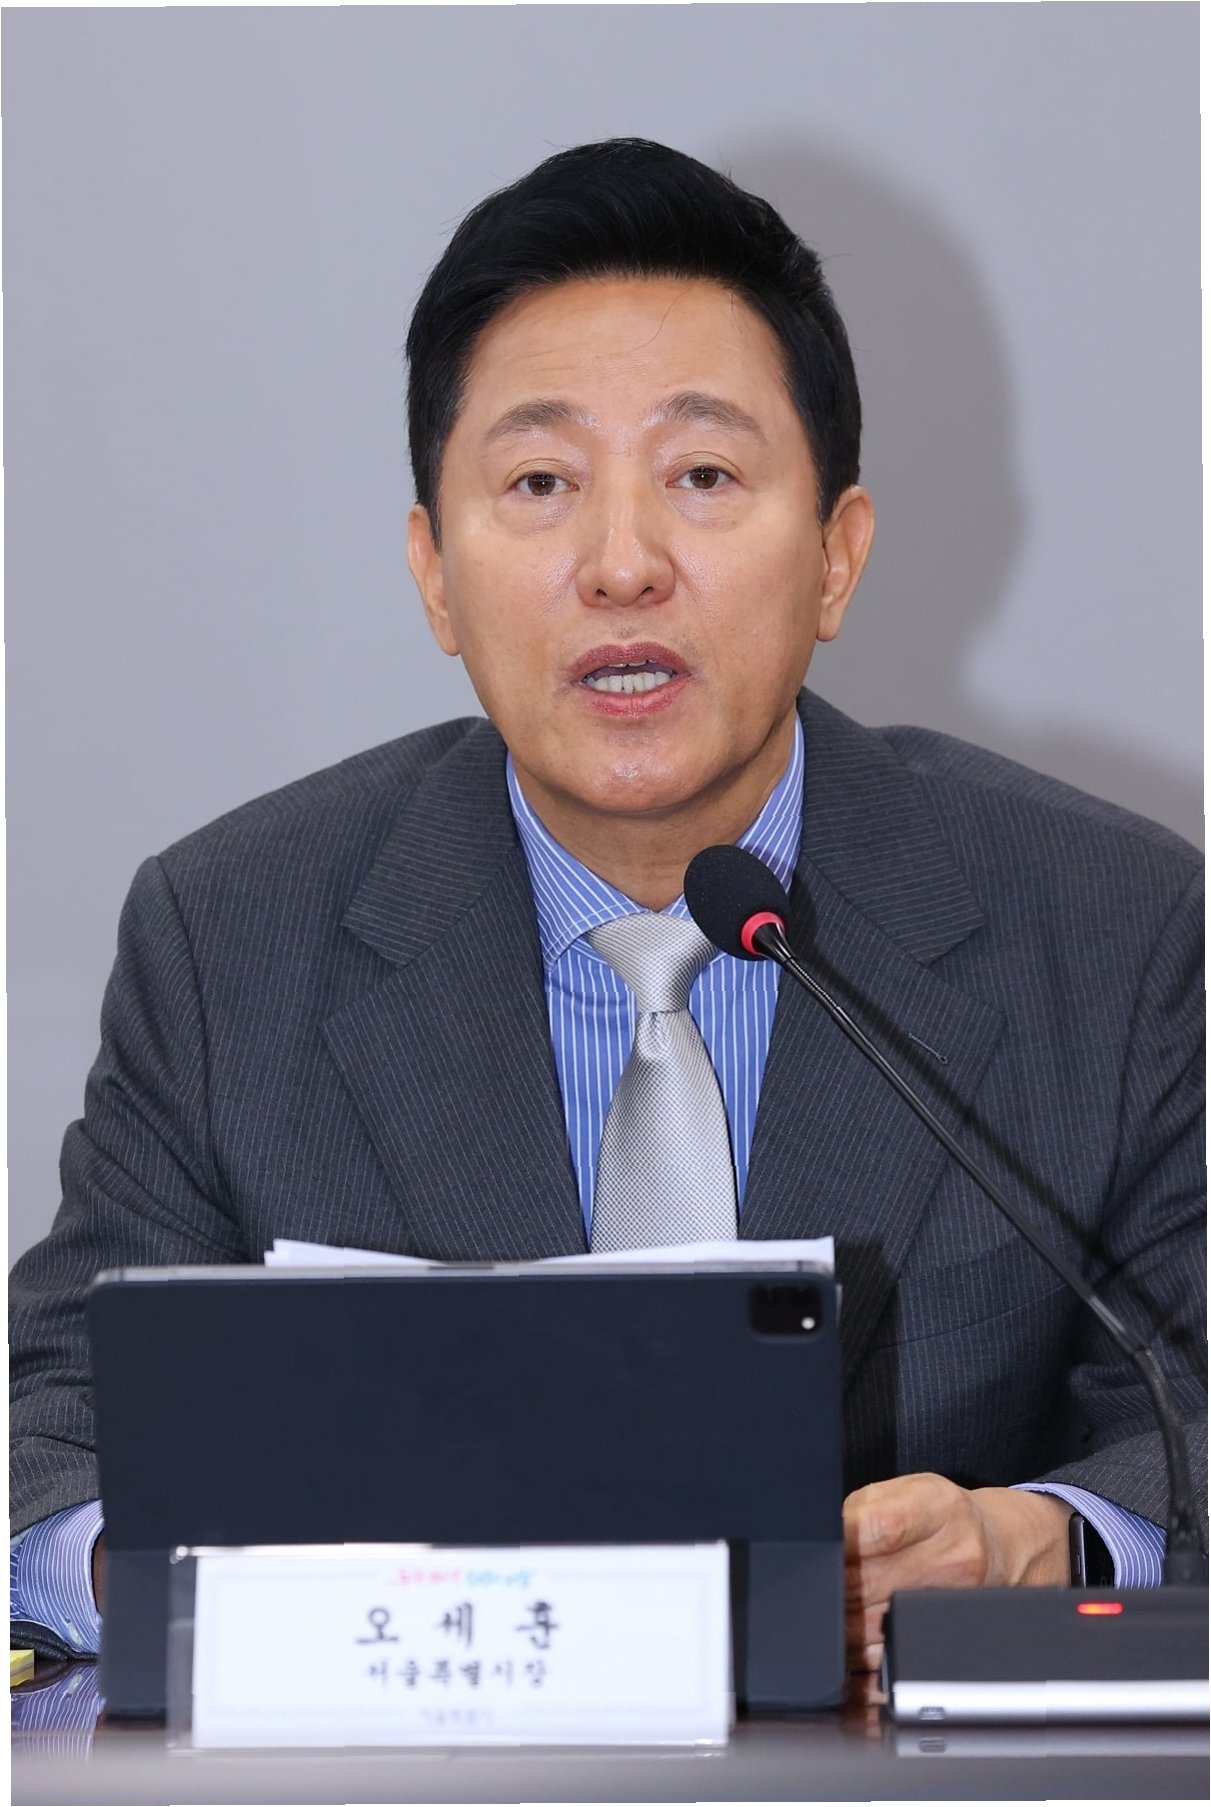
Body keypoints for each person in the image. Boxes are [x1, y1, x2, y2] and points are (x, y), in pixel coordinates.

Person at [11, 139, 1206, 1699]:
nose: (623, 565)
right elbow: (55, 1428)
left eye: (703, 477)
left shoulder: (1110, 927)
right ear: (435, 574)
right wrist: (191, 1566)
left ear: (836, 555)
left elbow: (1188, 1396)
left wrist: (1044, 1543)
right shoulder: (231, 939)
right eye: (540, 485)